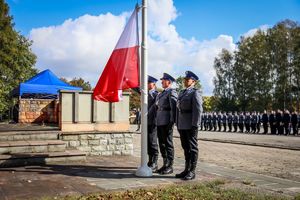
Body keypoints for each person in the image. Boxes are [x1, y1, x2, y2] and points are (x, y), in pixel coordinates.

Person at [176, 71, 202, 180]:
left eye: (187, 80)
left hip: (190, 124)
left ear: (193, 81)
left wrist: (195, 124)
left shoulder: (195, 92)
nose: (185, 81)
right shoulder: (182, 92)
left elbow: (198, 109)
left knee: (192, 148)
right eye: (185, 80)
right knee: (185, 147)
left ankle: (192, 171)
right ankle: (186, 169)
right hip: (182, 123)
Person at [155, 73, 178, 174]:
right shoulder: (162, 93)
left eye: (163, 80)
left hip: (167, 121)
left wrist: (172, 121)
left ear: (169, 82)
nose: (161, 82)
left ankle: (170, 165)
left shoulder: (171, 92)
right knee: (162, 144)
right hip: (160, 120)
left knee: (168, 143)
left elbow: (173, 107)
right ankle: (165, 164)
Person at [147, 75, 159, 172]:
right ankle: (150, 161)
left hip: (153, 121)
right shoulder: (145, 93)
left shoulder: (156, 94)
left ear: (154, 84)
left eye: (148, 83)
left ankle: (155, 162)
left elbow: (155, 107)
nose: (146, 84)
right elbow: (137, 87)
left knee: (152, 142)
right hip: (146, 121)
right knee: (147, 142)